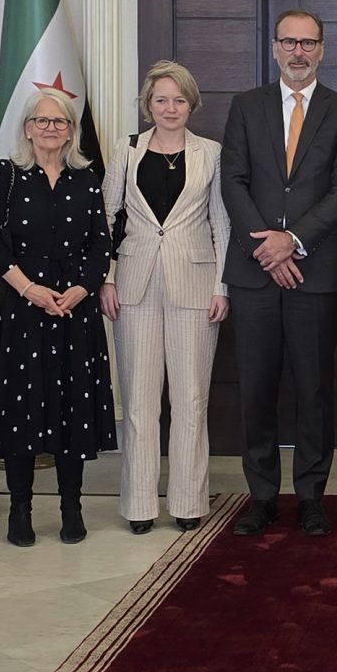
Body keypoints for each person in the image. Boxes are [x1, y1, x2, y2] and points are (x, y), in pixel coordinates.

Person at [218, 9, 337, 537]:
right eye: (289, 42)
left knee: (313, 389)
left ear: (322, 49)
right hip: (254, 272)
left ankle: (310, 497)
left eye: (308, 43)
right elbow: (232, 180)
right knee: (256, 389)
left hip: (313, 273)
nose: (298, 52)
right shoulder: (245, 106)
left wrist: (293, 241)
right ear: (275, 48)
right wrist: (267, 248)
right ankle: (261, 497)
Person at [0, 86, 117, 545]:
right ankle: (20, 509)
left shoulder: (86, 178)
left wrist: (82, 289)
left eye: (60, 121)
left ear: (72, 131)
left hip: (75, 311)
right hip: (22, 308)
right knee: (21, 410)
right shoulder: (6, 174)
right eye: (42, 120)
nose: (50, 128)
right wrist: (30, 289)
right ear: (27, 128)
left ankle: (71, 507)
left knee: (73, 409)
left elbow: (101, 244)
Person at [103, 62, 231, 533]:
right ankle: (139, 504)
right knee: (139, 401)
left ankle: (188, 500)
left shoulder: (211, 153)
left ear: (192, 104)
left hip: (195, 285)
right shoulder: (126, 149)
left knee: (190, 399)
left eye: (179, 100)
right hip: (133, 283)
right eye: (161, 100)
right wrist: (107, 278)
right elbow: (106, 217)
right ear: (147, 104)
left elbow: (222, 224)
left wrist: (221, 287)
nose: (170, 108)